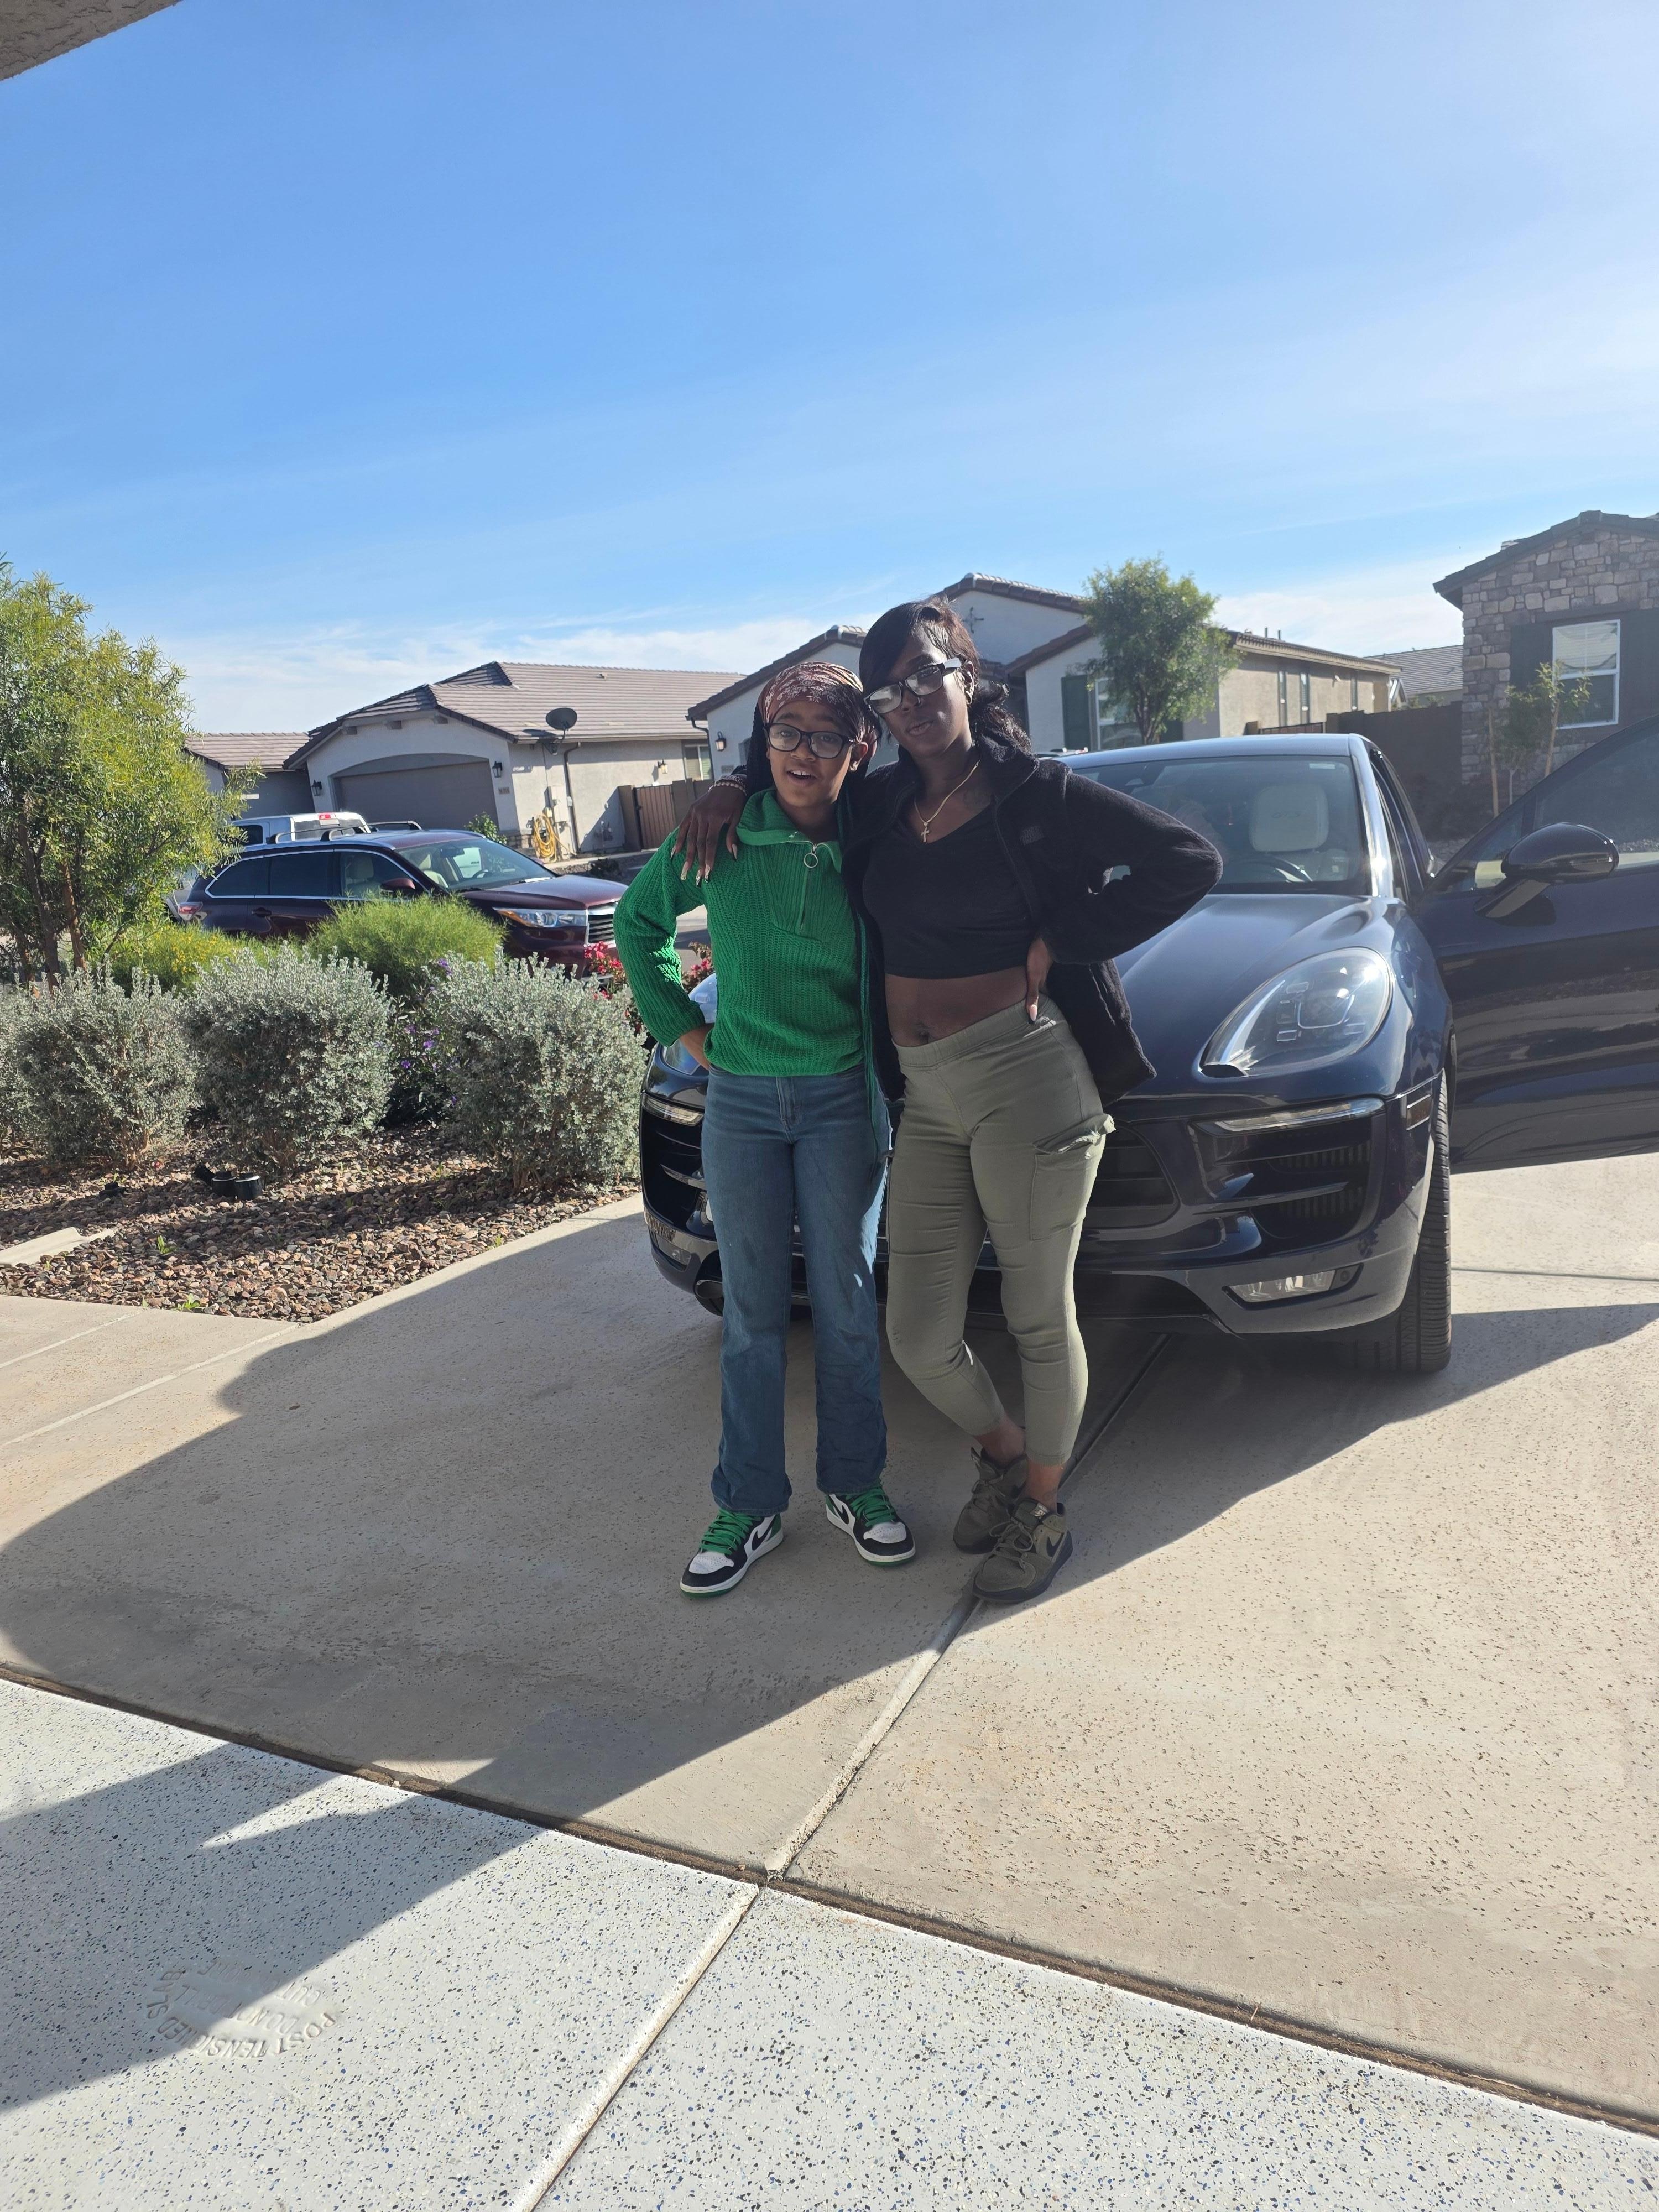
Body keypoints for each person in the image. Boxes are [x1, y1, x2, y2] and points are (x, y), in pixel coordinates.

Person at [675, 603, 1220, 1603]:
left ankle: (1044, 1508)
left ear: (969, 676)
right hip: (924, 1093)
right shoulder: (881, 802)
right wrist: (726, 785)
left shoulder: (1039, 793)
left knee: (1036, 1313)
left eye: (929, 672)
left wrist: (1067, 936)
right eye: (892, 687)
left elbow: (1187, 860)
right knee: (918, 1333)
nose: (913, 697)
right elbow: (800, 769)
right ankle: (1005, 1454)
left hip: (1029, 1079)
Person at [615, 662, 912, 1598]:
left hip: (842, 1101)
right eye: (786, 733)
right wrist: (687, 1033)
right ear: (764, 740)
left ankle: (854, 1484)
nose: (803, 753)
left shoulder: (877, 840)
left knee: (848, 1304)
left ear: (859, 749)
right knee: (751, 1314)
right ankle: (749, 1504)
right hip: (742, 1104)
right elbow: (638, 924)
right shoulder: (724, 833)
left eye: (827, 737)